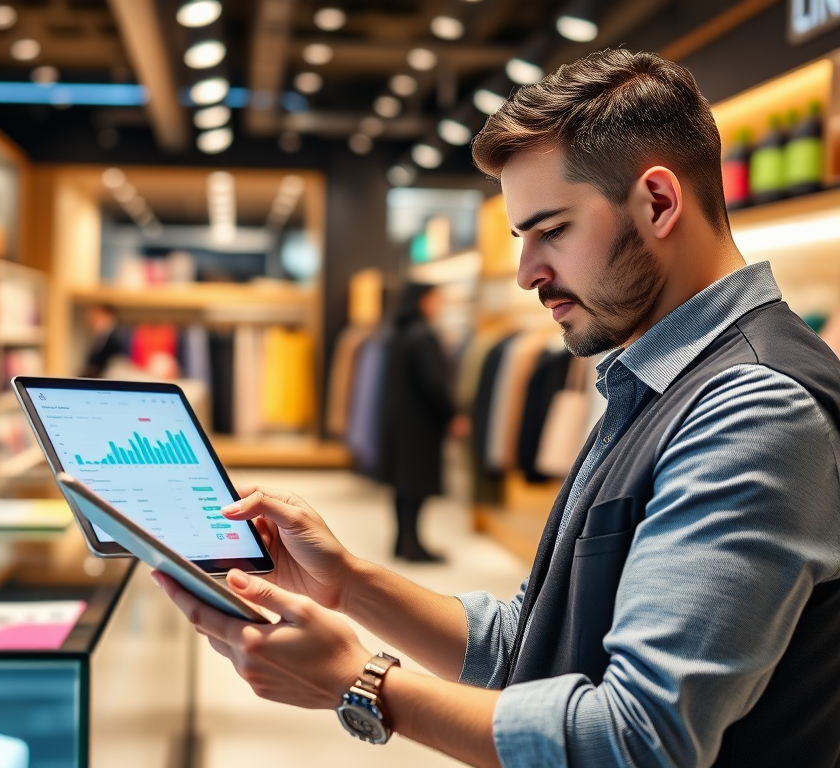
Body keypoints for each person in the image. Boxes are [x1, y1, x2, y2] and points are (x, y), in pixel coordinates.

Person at [152, 49, 840, 767]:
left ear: (660, 203)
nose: (526, 274)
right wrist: (347, 583)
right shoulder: (658, 381)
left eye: (553, 230)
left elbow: (636, 739)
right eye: (522, 238)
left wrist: (360, 684)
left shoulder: (755, 408)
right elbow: (537, 644)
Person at [377, 282, 457, 562]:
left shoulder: (397, 332)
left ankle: (403, 541)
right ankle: (413, 545)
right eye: (436, 299)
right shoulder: (423, 335)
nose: (440, 305)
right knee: (416, 486)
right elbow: (433, 382)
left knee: (403, 486)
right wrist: (452, 414)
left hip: (399, 422)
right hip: (419, 425)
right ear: (423, 301)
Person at [81, 303, 129, 378]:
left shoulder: (119, 335)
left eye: (96, 315)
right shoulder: (100, 335)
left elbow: (116, 362)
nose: (91, 319)